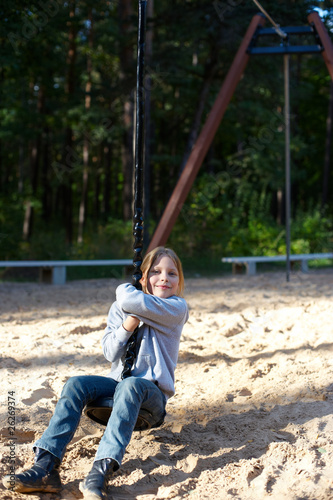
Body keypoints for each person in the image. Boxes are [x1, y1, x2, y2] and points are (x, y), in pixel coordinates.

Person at [3, 246, 189, 499]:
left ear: (180, 282)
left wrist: (130, 296)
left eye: (172, 273)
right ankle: (45, 465)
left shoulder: (175, 308)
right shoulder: (122, 309)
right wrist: (127, 325)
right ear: (143, 278)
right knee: (76, 384)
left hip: (151, 397)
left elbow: (126, 297)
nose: (164, 278)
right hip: (118, 385)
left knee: (131, 385)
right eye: (155, 272)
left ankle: (100, 471)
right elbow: (109, 353)